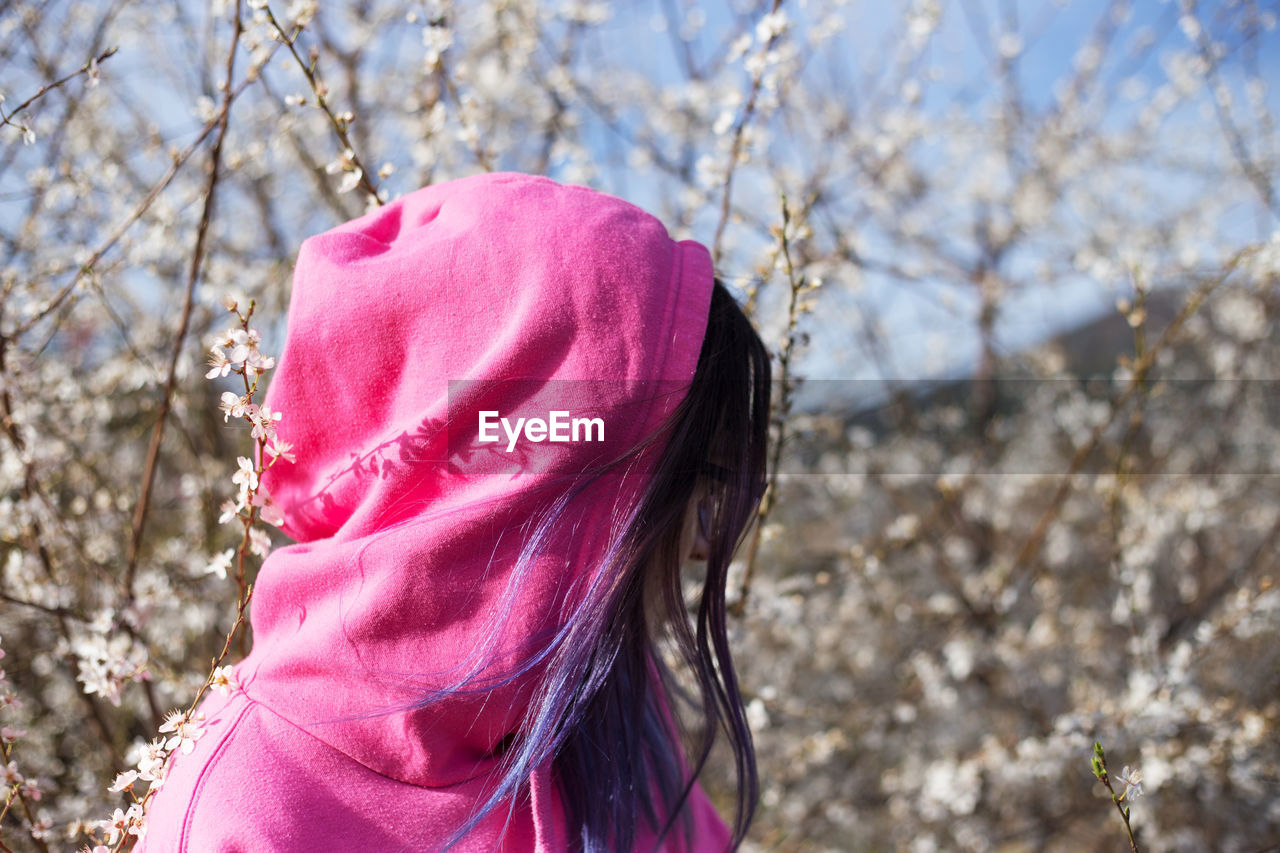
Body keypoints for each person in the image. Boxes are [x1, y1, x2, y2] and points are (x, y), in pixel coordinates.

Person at [137, 172, 771, 852]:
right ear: (524, 495)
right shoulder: (244, 819)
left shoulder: (610, 724)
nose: (709, 547)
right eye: (700, 486)